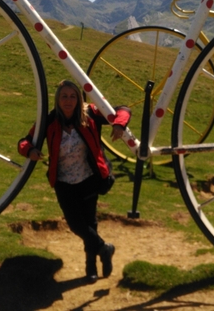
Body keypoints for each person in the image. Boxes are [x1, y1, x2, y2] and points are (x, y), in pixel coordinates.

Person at [18, 80, 131, 282]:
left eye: (72, 96)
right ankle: (105, 249)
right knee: (76, 225)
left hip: (89, 179)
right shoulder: (48, 121)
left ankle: (91, 267)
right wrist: (30, 150)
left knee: (90, 223)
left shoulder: (91, 114)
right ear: (57, 99)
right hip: (63, 183)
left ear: (79, 99)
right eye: (64, 96)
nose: (68, 101)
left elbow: (123, 110)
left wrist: (119, 125)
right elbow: (24, 142)